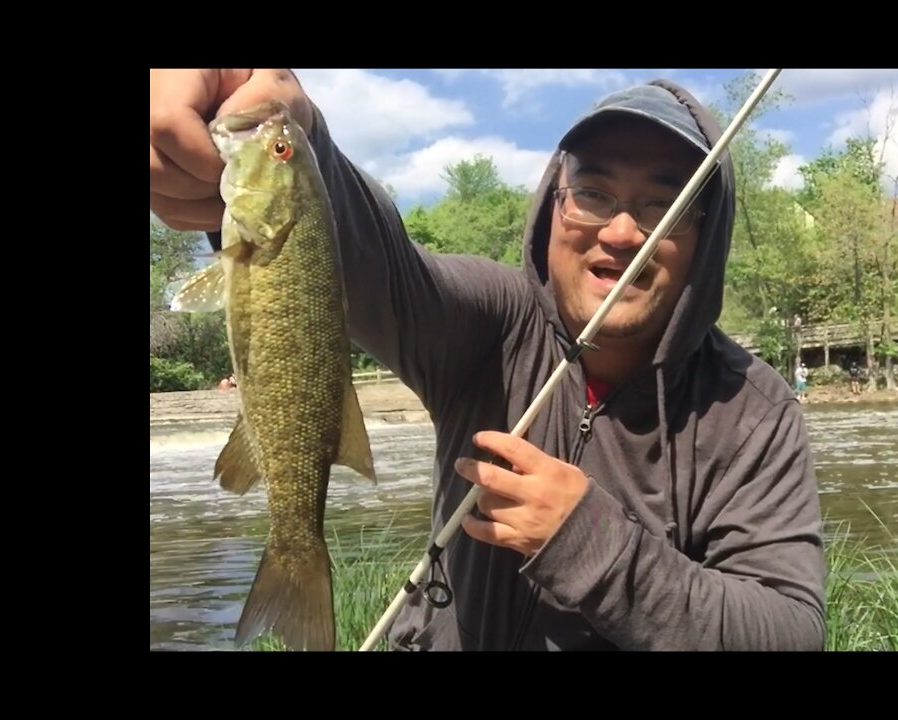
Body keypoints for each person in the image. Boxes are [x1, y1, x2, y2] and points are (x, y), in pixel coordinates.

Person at [149, 69, 826, 651]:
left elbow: (789, 629)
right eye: (593, 193)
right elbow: (371, 265)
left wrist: (595, 545)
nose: (622, 233)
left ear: (705, 235)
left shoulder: (751, 410)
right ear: (553, 209)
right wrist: (302, 130)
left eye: (663, 205)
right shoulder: (491, 322)